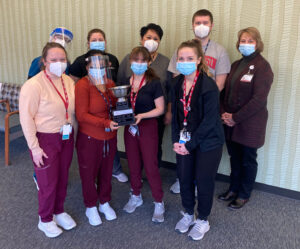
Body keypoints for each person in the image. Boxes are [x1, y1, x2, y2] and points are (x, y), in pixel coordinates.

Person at [168, 9, 231, 194]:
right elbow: (176, 79)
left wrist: (198, 99)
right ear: (192, 25)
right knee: (185, 147)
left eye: (205, 22)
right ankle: (184, 179)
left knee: (202, 150)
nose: (201, 26)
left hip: (204, 108)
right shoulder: (182, 49)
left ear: (211, 25)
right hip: (185, 109)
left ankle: (197, 183)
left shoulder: (220, 51)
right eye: (197, 22)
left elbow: (219, 84)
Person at [19, 42, 76, 238]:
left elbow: (70, 109)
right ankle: (45, 219)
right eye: (53, 60)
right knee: (47, 181)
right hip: (44, 138)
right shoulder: (33, 85)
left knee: (62, 177)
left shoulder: (68, 80)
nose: (59, 63)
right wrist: (34, 148)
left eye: (62, 60)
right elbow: (26, 118)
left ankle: (58, 211)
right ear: (44, 61)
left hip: (66, 136)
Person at [171, 39, 224, 240]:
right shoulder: (176, 84)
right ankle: (187, 213)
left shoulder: (208, 86)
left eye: (190, 58)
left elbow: (210, 121)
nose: (185, 61)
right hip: (185, 140)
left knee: (203, 181)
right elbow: (176, 118)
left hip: (208, 142)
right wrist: (177, 142)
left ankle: (203, 219)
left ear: (199, 60)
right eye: (181, 58)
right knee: (184, 178)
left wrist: (189, 146)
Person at [218, 27, 273, 210]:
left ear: (258, 43)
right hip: (231, 122)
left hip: (250, 123)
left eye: (250, 41)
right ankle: (233, 189)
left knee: (248, 159)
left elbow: (259, 99)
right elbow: (225, 91)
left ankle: (244, 194)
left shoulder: (263, 67)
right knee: (234, 157)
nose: (246, 44)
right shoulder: (235, 64)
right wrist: (225, 114)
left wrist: (236, 117)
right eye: (243, 40)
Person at [75, 50, 119, 226]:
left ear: (107, 66)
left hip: (110, 137)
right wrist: (105, 123)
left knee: (107, 171)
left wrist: (123, 112)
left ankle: (104, 202)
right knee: (89, 173)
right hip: (90, 137)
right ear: (87, 67)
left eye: (102, 65)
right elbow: (82, 115)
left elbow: (115, 106)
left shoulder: (110, 83)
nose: (98, 68)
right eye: (94, 65)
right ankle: (91, 206)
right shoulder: (83, 85)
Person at [117, 23, 170, 169]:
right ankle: (136, 176)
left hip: (155, 115)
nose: (152, 41)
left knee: (154, 147)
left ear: (159, 42)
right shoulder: (128, 59)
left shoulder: (166, 62)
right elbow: (120, 85)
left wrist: (169, 111)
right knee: (133, 147)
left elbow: (170, 89)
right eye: (148, 37)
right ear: (141, 39)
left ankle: (153, 173)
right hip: (131, 114)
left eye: (156, 38)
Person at [122, 46, 165, 223]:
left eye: (142, 60)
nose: (139, 63)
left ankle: (158, 201)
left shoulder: (154, 82)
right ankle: (136, 195)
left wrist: (141, 116)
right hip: (130, 128)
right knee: (132, 163)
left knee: (150, 165)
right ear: (130, 61)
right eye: (135, 60)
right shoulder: (125, 83)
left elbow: (160, 109)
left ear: (148, 63)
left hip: (148, 127)